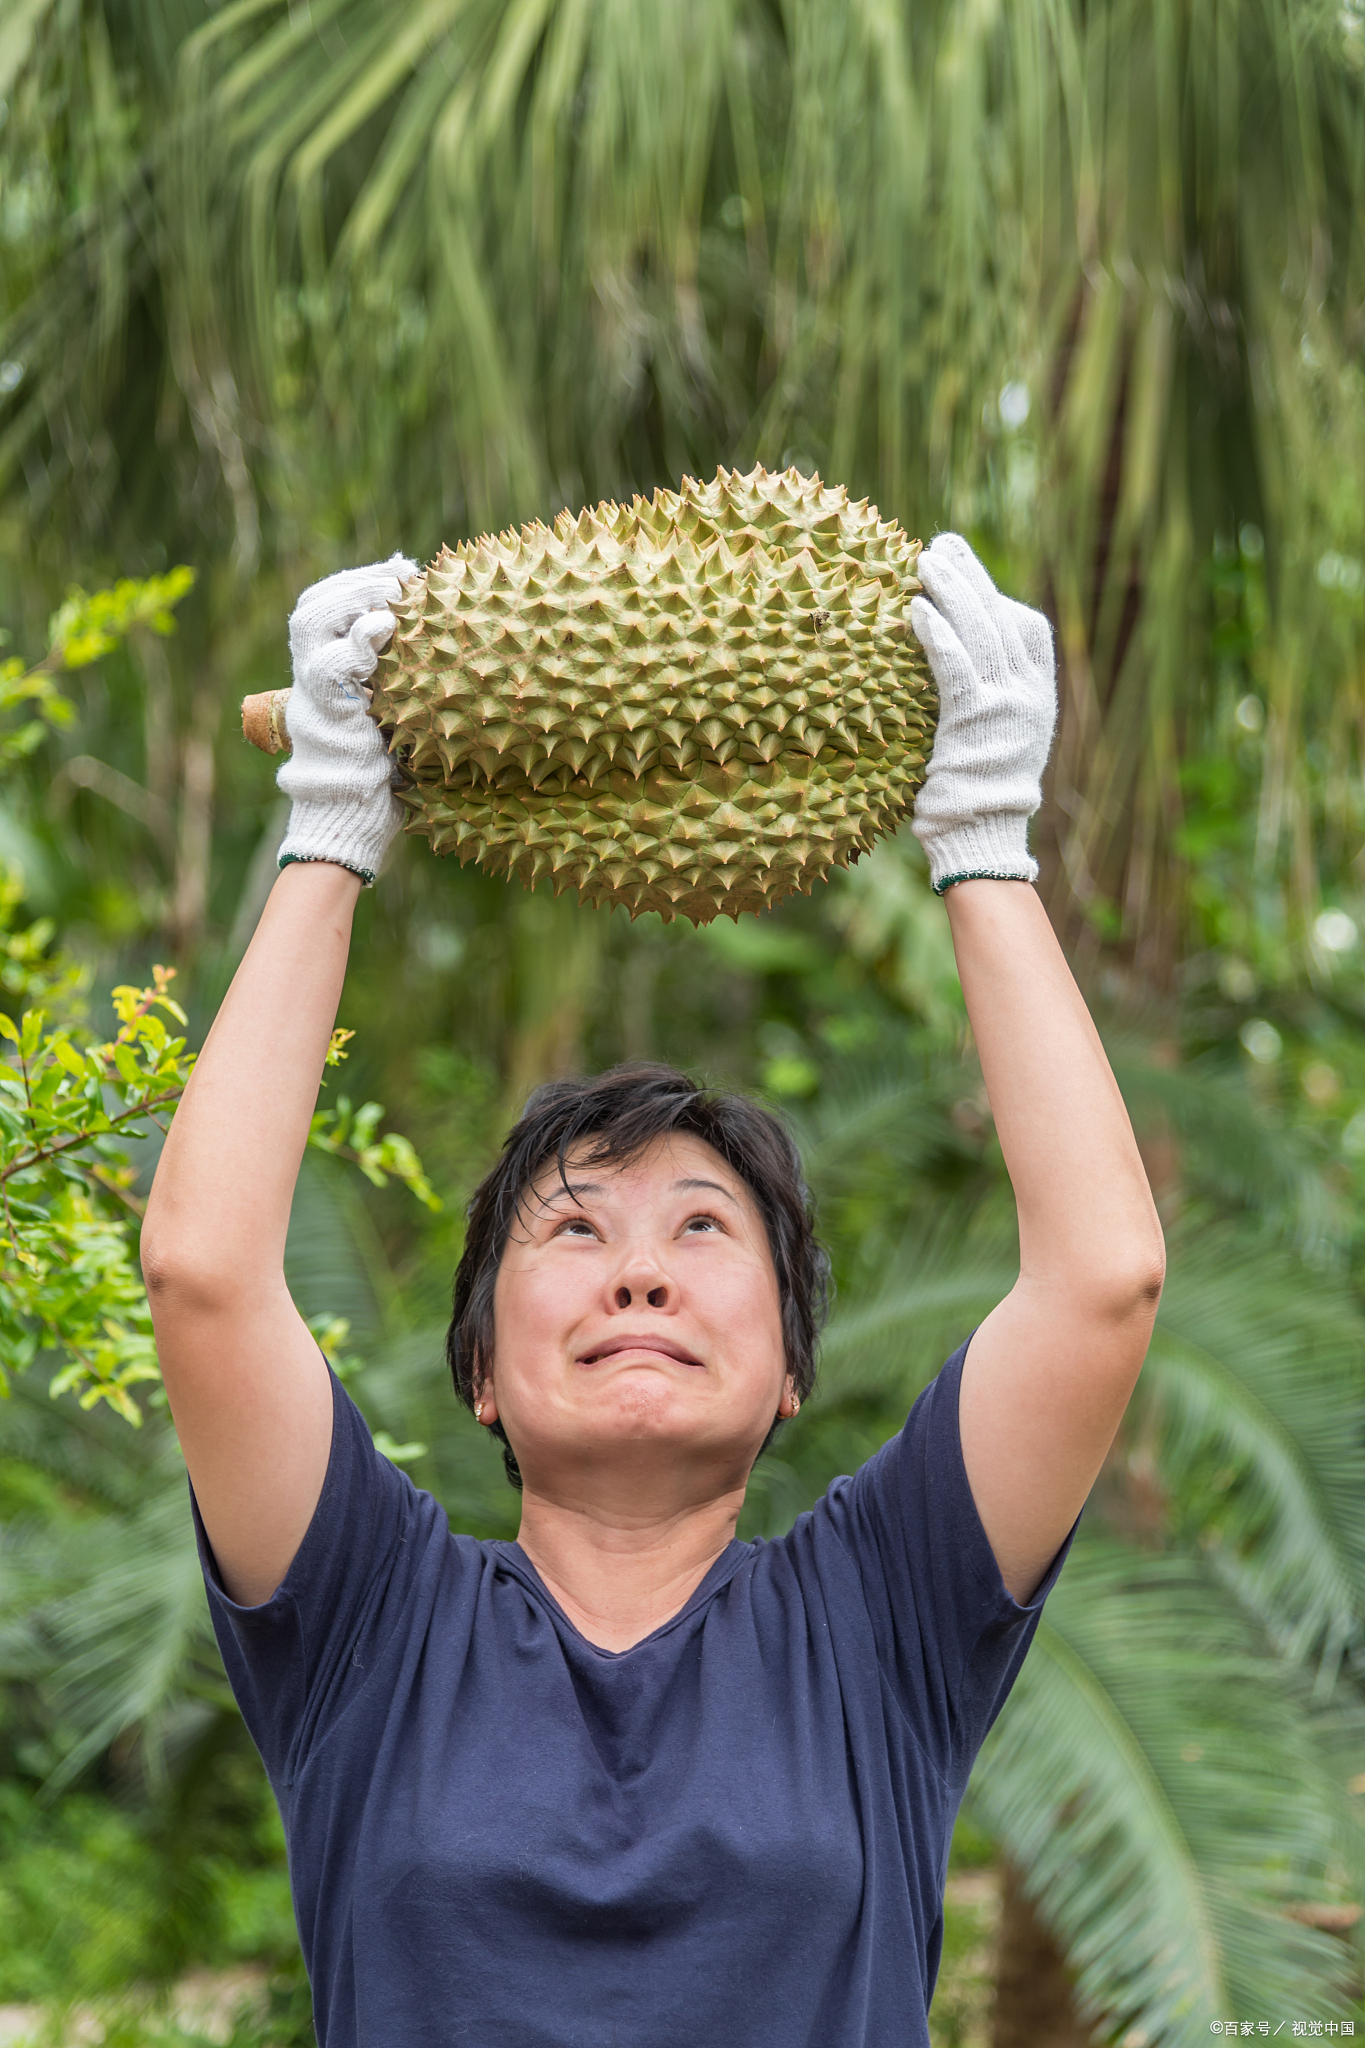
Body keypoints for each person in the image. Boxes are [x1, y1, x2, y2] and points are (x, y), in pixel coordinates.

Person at [142, 533, 1164, 2048]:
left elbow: (1100, 1280)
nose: (636, 1271)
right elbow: (206, 1275)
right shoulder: (373, 1621)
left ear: (791, 1371)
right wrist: (328, 830)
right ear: (480, 1373)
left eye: (701, 1230)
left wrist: (984, 842)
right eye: (570, 1233)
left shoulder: (875, 1620)